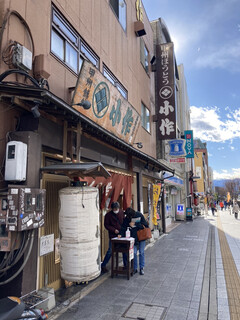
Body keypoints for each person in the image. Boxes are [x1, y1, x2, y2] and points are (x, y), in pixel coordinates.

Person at [120, 207, 149, 275]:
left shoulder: (139, 215)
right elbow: (123, 227)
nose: (128, 217)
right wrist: (120, 234)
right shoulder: (127, 218)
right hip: (133, 238)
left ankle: (141, 268)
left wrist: (136, 224)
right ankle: (135, 268)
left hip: (141, 236)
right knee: (134, 253)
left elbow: (145, 225)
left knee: (141, 252)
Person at [101, 201, 126, 273]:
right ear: (112, 209)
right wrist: (113, 230)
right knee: (110, 251)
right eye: (114, 209)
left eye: (117, 208)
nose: (116, 210)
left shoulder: (121, 212)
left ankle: (126, 265)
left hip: (121, 234)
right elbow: (106, 225)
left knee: (125, 249)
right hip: (113, 236)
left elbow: (124, 221)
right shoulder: (108, 215)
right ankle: (103, 265)